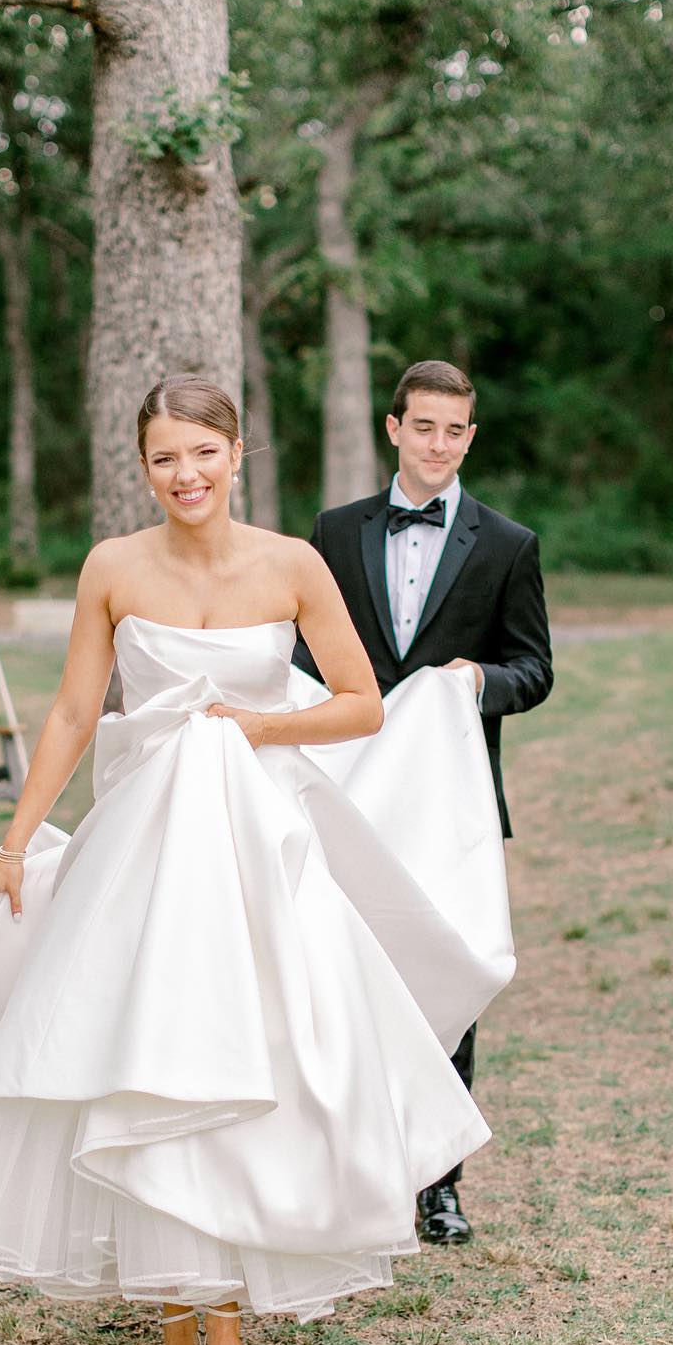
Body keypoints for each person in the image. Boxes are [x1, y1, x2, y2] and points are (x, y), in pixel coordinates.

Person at [0, 375, 515, 1345]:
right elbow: (68, 713)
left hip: (252, 848)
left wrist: (250, 725)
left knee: (248, 1069)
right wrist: (14, 846)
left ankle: (228, 1331)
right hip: (141, 854)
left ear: (235, 455)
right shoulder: (113, 568)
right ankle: (176, 1328)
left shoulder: (292, 564)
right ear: (141, 468)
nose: (184, 476)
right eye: (162, 459)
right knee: (151, 1070)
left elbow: (359, 702)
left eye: (202, 453)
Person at [292, 360, 552, 1247]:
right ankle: (340, 1165)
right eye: (424, 426)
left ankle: (439, 1185)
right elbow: (300, 657)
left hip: (448, 804)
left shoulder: (509, 544)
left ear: (469, 438)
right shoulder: (333, 532)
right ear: (393, 427)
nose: (439, 444)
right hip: (347, 791)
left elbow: (535, 669)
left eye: (456, 430)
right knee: (334, 970)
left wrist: (474, 681)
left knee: (446, 971)